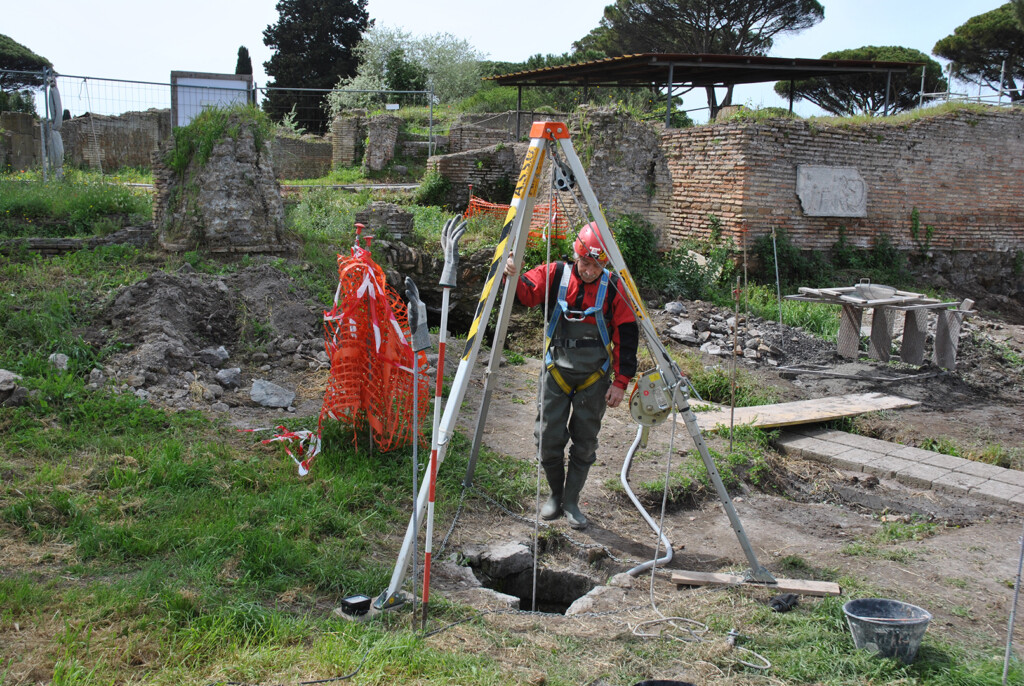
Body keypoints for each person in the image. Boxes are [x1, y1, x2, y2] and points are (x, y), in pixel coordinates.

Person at [503, 222, 639, 529]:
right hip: (556, 372)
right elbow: (526, 294)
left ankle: (572, 501)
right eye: (585, 263)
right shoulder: (555, 274)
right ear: (575, 256)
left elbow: (627, 336)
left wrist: (621, 382)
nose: (590, 270)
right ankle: (555, 494)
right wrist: (511, 272)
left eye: (597, 265)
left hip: (594, 378)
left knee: (585, 441)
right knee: (547, 436)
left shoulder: (614, 287)